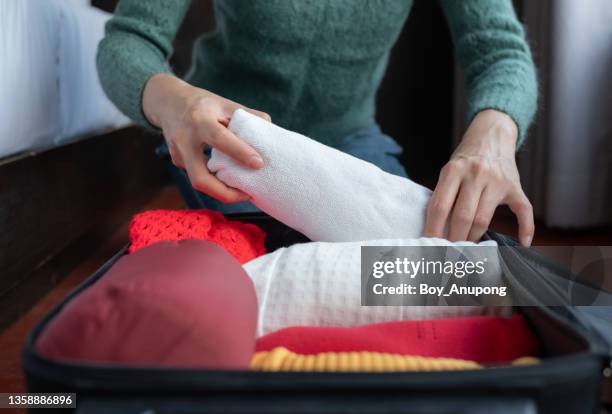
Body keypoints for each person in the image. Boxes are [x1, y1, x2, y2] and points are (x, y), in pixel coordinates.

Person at [97, 0, 537, 246]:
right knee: (275, 249)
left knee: (415, 258)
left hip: (351, 138)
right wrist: (176, 102)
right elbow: (129, 39)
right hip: (231, 133)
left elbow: (500, 50)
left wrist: (494, 133)